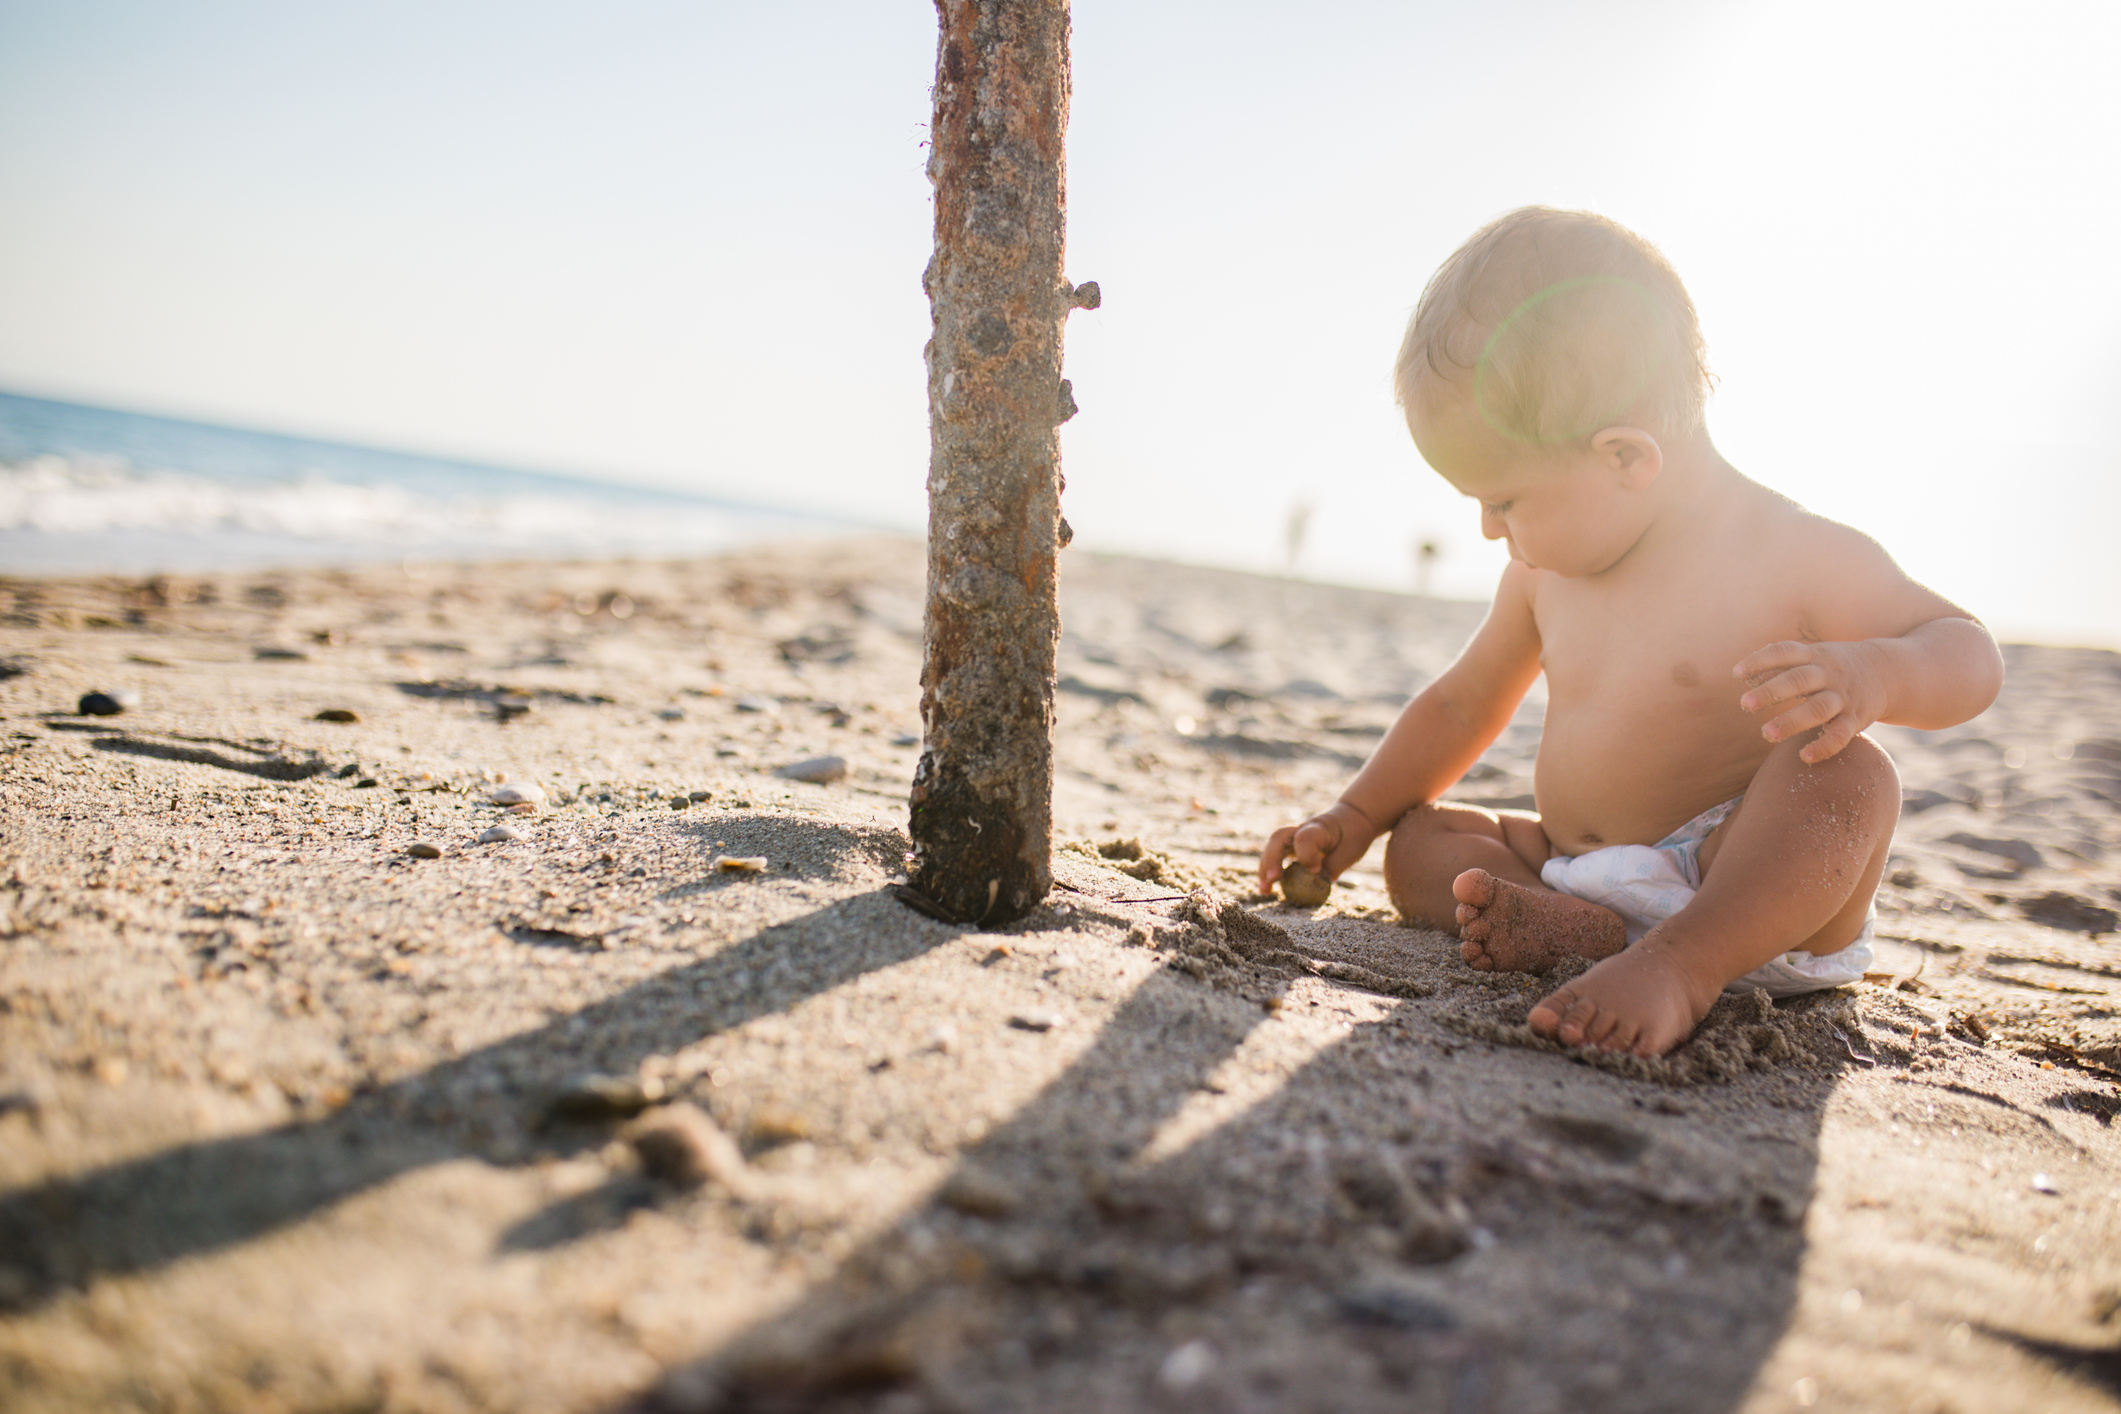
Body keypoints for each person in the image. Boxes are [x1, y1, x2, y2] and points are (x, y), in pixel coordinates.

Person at [1257, 207, 2004, 1058]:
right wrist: (1355, 815)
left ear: (1625, 459)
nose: (1489, 531)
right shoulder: (1540, 577)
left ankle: (1683, 964)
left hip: (1744, 887)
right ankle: (1585, 935)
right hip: (1575, 869)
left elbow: (1966, 650)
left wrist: (1876, 674)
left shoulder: (1791, 553)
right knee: (1422, 841)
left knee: (1850, 782)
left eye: (1502, 500)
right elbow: (1462, 707)